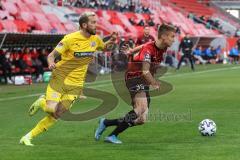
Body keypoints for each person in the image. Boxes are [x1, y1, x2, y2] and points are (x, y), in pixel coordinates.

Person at [20, 11, 117, 146]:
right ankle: (42, 101)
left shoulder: (95, 39)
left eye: (96, 22)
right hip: (60, 78)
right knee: (50, 109)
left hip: (76, 85)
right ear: (84, 25)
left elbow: (105, 47)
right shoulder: (69, 39)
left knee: (57, 114)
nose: (97, 25)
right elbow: (51, 56)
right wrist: (50, 63)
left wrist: (111, 41)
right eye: (93, 23)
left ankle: (27, 137)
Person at [94, 24, 176, 144]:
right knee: (141, 108)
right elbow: (145, 71)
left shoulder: (161, 46)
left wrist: (132, 50)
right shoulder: (149, 50)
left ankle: (106, 122)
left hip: (144, 80)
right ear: (163, 36)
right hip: (135, 77)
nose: (174, 39)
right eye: (172, 36)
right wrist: (154, 82)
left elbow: (146, 44)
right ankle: (112, 136)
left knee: (141, 119)